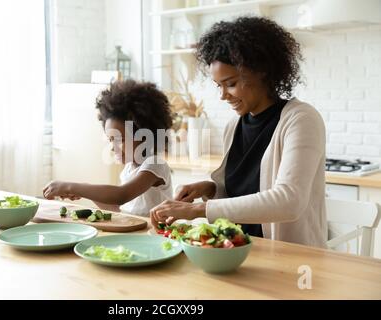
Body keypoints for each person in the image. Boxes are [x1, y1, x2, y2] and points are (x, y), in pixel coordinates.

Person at [150, 16, 327, 248]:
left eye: (231, 83)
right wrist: (209, 189)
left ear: (262, 71)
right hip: (239, 250)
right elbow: (240, 193)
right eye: (219, 86)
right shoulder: (234, 126)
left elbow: (289, 200)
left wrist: (197, 209)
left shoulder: (301, 119)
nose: (223, 95)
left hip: (292, 257)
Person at [44, 79, 173, 216]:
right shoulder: (129, 169)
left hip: (155, 235)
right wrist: (82, 192)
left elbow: (121, 195)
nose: (112, 147)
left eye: (119, 139)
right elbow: (118, 207)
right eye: (111, 140)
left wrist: (71, 186)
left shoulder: (155, 165)